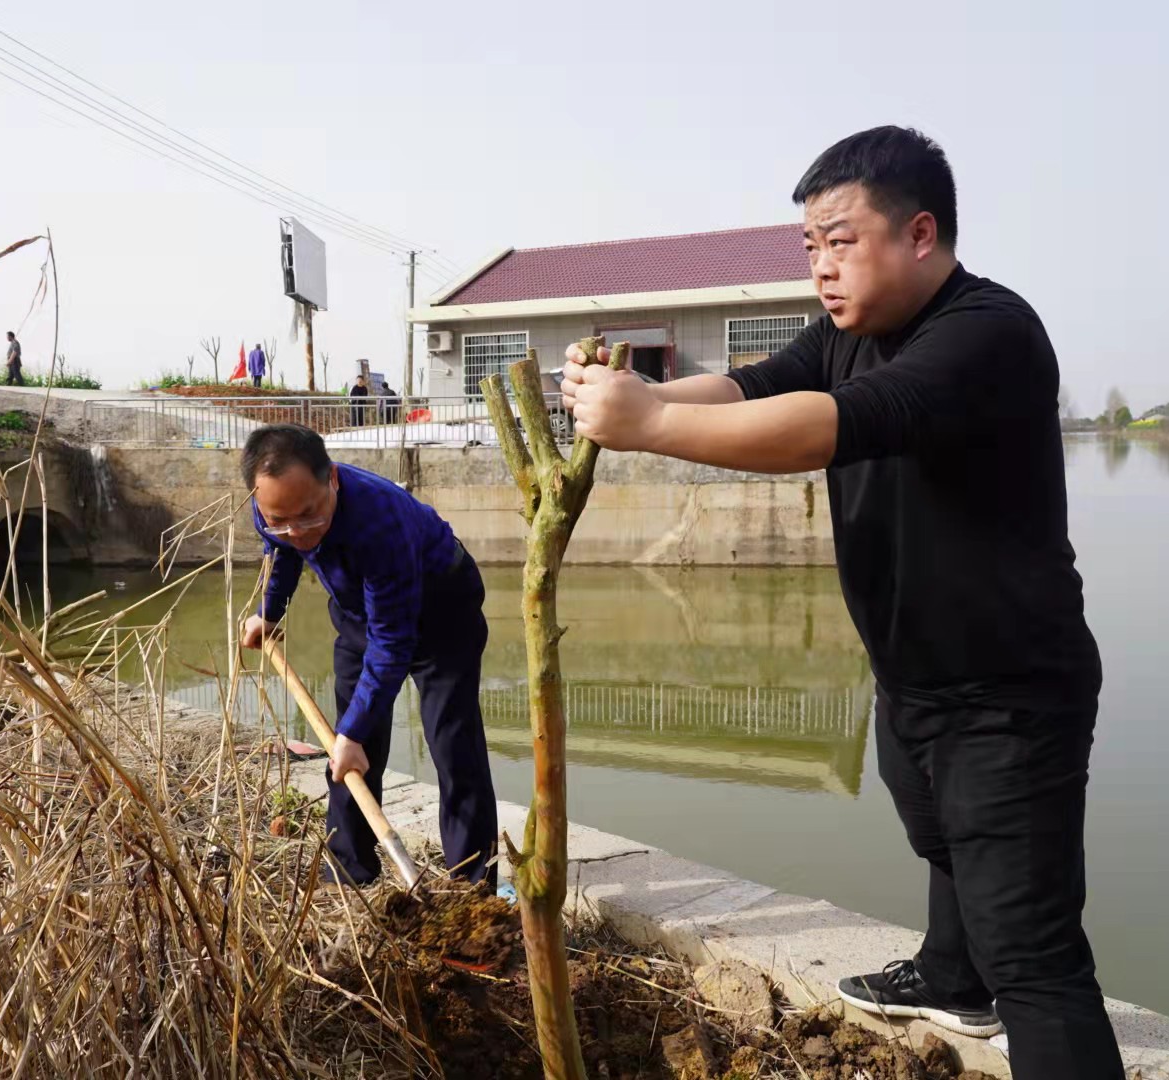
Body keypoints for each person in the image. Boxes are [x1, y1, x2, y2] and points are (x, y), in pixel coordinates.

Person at [561, 126, 1122, 1079]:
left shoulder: (988, 332)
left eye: (840, 240)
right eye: (809, 246)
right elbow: (746, 386)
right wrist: (631, 398)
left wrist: (649, 425)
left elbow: (836, 426)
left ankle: (1001, 987)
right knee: (940, 834)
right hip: (915, 669)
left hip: (1009, 690)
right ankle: (954, 977)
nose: (820, 267)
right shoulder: (841, 335)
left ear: (920, 233)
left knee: (1034, 950)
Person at [238, 424, 498, 887]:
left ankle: (472, 880)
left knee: (451, 743)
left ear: (332, 479)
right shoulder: (274, 511)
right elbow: (280, 551)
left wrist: (355, 731)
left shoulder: (380, 522)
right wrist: (269, 612)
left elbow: (393, 641)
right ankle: (350, 867)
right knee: (348, 746)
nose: (296, 531)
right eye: (278, 518)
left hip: (442, 613)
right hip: (360, 609)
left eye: (309, 515)